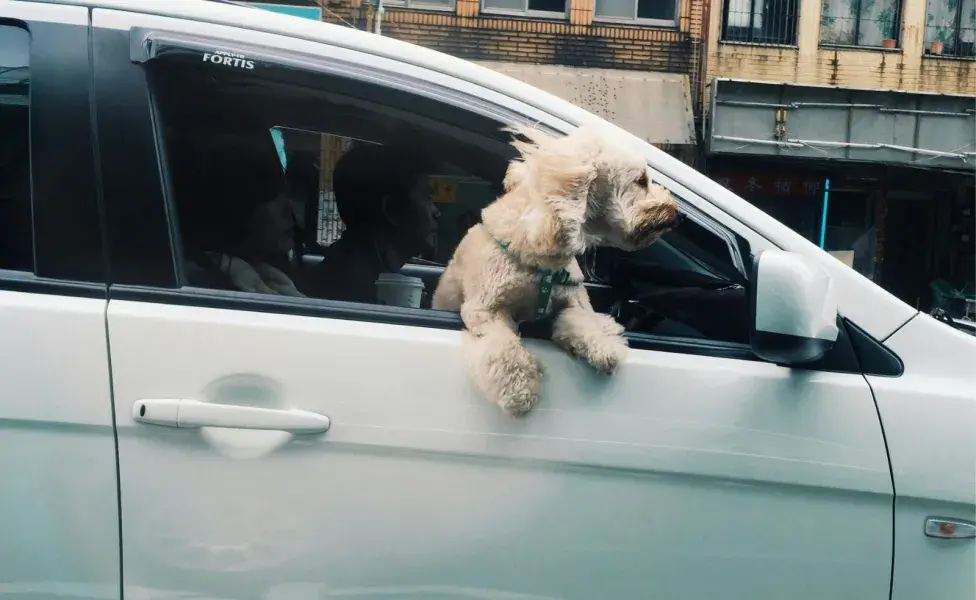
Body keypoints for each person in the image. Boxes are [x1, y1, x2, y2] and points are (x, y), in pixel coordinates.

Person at [305, 143, 440, 303]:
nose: (436, 211)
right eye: (427, 197)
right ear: (392, 209)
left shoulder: (353, 268)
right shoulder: (357, 287)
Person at [170, 140, 305, 297]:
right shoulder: (208, 286)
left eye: (286, 193)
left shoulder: (267, 274)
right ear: (235, 206)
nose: (288, 209)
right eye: (270, 194)